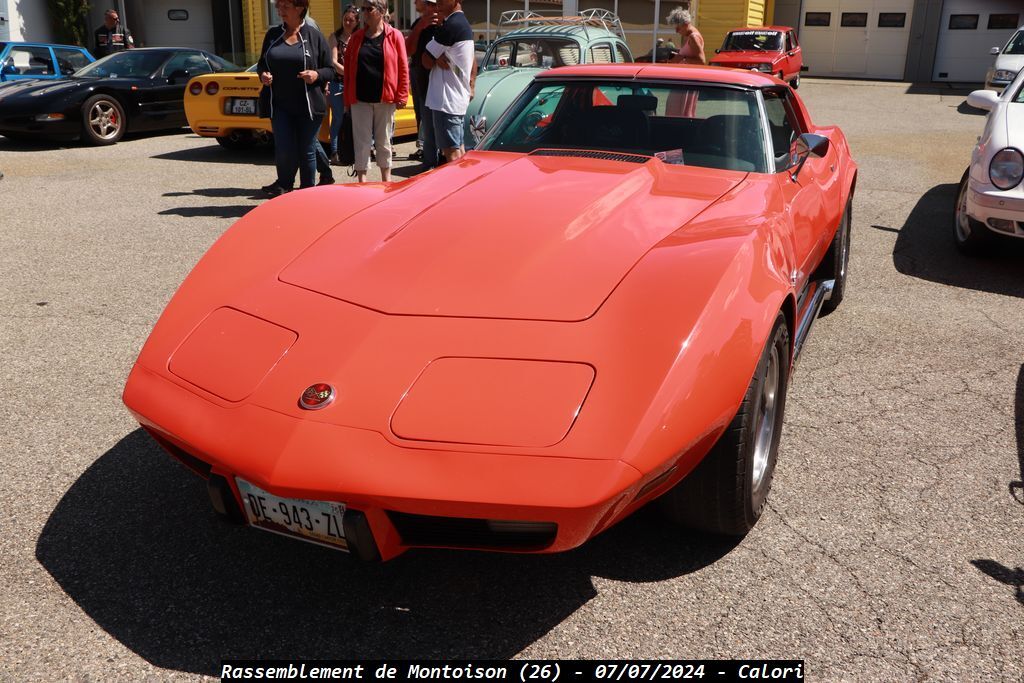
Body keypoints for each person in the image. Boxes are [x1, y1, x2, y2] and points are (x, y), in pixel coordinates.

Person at [257, 0, 335, 197]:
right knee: (283, 148)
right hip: (280, 104)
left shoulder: (314, 36)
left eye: (285, 6)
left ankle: (307, 195)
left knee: (306, 150)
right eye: (278, 6)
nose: (279, 10)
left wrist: (317, 75)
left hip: (308, 106)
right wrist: (263, 75)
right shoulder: (273, 35)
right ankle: (284, 187)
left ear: (299, 8)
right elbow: (261, 64)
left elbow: (330, 70)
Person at [342, 0, 409, 183]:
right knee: (361, 142)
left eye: (368, 8)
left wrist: (402, 94)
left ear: (381, 11)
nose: (364, 12)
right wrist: (347, 100)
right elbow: (348, 71)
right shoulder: (356, 38)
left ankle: (386, 181)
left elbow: (403, 67)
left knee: (384, 142)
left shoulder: (395, 36)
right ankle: (362, 181)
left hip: (385, 98)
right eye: (362, 9)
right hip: (360, 98)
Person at [422, 0, 474, 165]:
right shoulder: (463, 24)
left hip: (447, 101)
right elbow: (470, 64)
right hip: (456, 99)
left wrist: (435, 58)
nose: (439, 2)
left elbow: (425, 60)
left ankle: (458, 190)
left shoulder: (450, 26)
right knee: (459, 151)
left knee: (451, 155)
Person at [406, 0, 440, 164]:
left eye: (434, 4)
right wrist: (420, 27)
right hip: (424, 85)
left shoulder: (447, 23)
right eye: (429, 4)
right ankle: (429, 164)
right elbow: (408, 50)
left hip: (444, 87)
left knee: (443, 130)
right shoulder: (418, 24)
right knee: (427, 127)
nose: (431, 8)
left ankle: (443, 164)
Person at [327, 5, 359, 164]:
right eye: (345, 19)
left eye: (351, 20)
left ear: (357, 21)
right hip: (337, 83)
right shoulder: (335, 37)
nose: (347, 22)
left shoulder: (360, 37)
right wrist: (349, 74)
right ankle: (335, 151)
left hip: (356, 85)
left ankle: (351, 151)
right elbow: (333, 61)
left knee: (357, 118)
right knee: (339, 117)